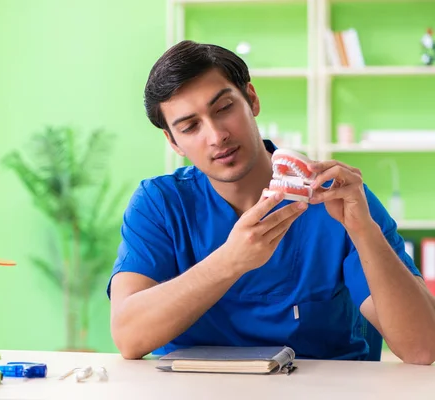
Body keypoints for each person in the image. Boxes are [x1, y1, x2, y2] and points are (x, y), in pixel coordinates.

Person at [107, 40, 435, 364]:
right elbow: (129, 337)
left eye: (224, 108)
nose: (216, 135)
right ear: (173, 142)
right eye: (191, 126)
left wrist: (364, 232)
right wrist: (230, 261)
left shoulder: (338, 197)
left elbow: (423, 348)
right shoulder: (160, 205)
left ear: (251, 99)